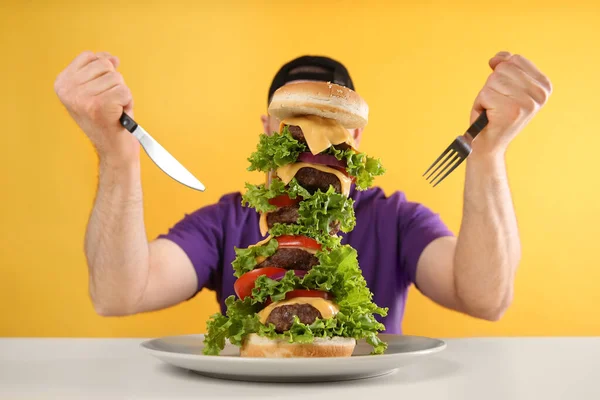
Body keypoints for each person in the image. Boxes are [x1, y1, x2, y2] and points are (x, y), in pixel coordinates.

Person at [54, 51, 552, 333]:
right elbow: (118, 296)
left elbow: (485, 299)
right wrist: (116, 153)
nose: (311, 142)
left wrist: (488, 154)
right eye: (293, 126)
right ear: (267, 128)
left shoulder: (395, 219)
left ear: (356, 138)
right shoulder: (226, 221)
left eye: (331, 127)